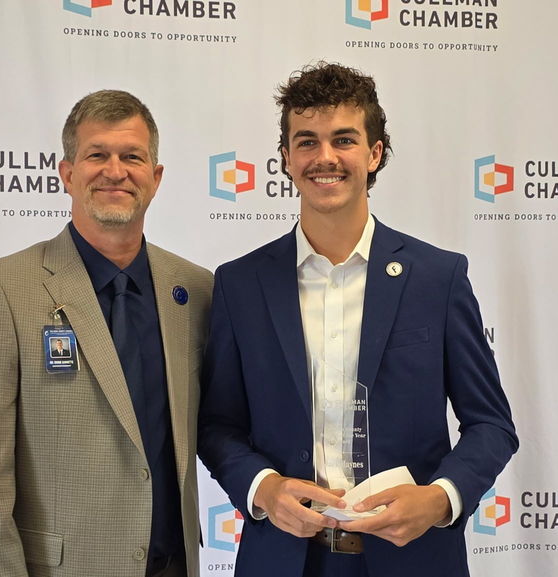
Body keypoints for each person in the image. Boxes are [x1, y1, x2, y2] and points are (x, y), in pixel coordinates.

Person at [197, 62, 518, 577]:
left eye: (343, 140)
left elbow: (491, 426)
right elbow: (217, 426)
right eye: (306, 142)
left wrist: (440, 498)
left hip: (413, 559)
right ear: (285, 158)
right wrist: (264, 487)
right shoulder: (240, 284)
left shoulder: (438, 277)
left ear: (374, 153)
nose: (325, 157)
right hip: (283, 559)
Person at [0, 89, 213, 577]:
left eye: (132, 156)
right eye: (96, 155)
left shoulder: (195, 290)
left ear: (155, 178)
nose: (115, 170)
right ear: (67, 174)